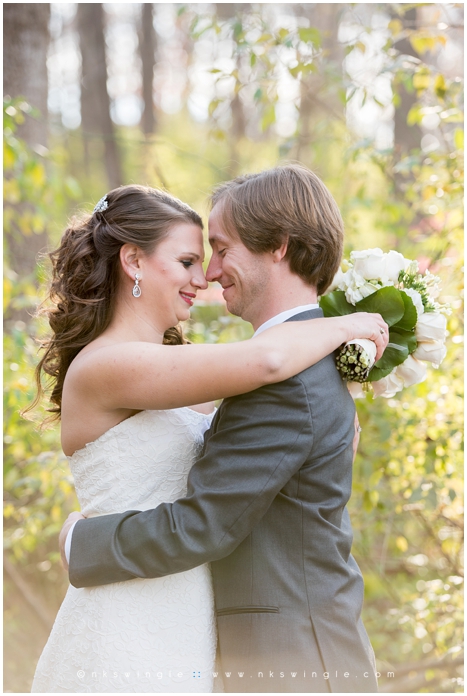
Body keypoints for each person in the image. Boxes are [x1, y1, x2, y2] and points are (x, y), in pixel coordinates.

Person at [34, 173, 387, 693]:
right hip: (134, 613)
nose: (205, 276)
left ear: (278, 246)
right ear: (132, 260)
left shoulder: (208, 376)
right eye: (188, 260)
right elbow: (265, 361)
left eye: (215, 253)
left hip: (202, 625)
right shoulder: (109, 366)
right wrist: (344, 325)